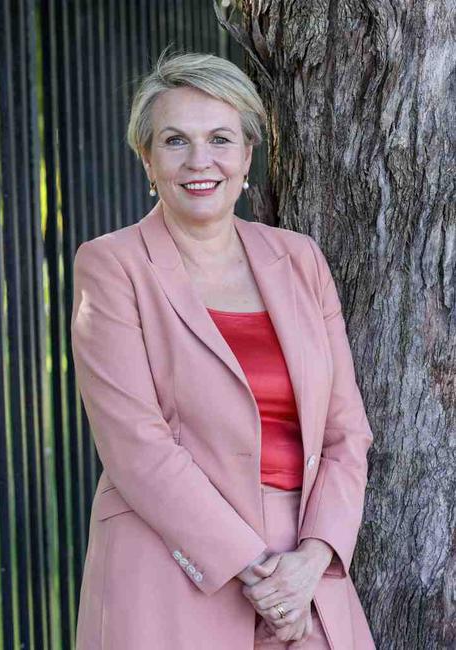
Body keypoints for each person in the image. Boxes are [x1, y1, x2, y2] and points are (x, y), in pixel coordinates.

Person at [71, 48, 376, 649]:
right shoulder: (112, 266)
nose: (199, 160)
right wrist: (254, 569)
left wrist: (313, 558)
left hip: (305, 572)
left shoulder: (300, 260)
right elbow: (137, 445)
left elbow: (347, 434)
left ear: (247, 156)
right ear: (147, 159)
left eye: (219, 138)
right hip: (172, 568)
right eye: (175, 141)